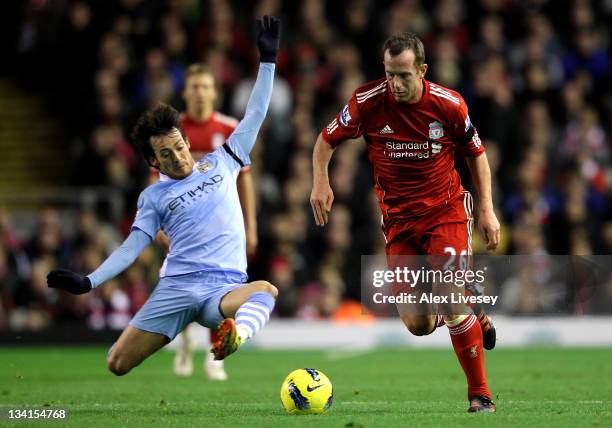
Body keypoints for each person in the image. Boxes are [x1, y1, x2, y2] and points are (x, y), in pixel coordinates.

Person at [47, 15, 280, 376]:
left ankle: (234, 337)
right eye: (165, 154)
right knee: (116, 363)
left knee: (265, 289)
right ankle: (180, 338)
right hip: (176, 289)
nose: (177, 156)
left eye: (179, 146)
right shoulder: (153, 197)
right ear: (152, 160)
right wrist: (89, 281)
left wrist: (267, 61)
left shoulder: (225, 160)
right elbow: (131, 247)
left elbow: (256, 112)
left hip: (223, 289)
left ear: (187, 141)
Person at [310, 32, 500, 413]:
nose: (395, 84)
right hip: (398, 221)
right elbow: (326, 140)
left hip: (445, 211)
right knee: (418, 324)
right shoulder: (367, 102)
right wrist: (320, 181)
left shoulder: (449, 105)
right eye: (389, 74)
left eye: (403, 75)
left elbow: (476, 154)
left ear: (422, 70)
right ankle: (472, 304)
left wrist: (487, 208)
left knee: (446, 294)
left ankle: (480, 394)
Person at [169, 63, 259, 380]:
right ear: (185, 92)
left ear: (214, 92)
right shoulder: (172, 130)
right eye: (193, 86)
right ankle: (184, 343)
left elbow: (244, 180)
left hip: (223, 224)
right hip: (183, 225)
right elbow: (155, 179)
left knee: (222, 290)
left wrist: (251, 227)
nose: (199, 92)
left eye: (204, 86)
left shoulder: (229, 128)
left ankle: (214, 355)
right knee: (183, 287)